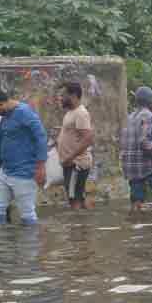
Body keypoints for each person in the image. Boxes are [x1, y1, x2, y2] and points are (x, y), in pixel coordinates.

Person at [0, 87, 46, 225]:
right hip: (5, 171)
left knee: (27, 214)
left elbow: (40, 136)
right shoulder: (6, 115)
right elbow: (1, 130)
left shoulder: (24, 112)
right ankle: (3, 245)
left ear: (0, 104)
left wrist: (40, 166)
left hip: (24, 173)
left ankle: (30, 244)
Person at [120, 86, 152, 216]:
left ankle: (135, 224)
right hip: (146, 164)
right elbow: (143, 142)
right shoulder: (148, 115)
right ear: (150, 101)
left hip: (130, 165)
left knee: (136, 199)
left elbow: (133, 140)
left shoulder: (130, 116)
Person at [57, 82, 94, 210]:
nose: (60, 98)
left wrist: (70, 157)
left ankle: (77, 228)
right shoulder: (70, 113)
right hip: (71, 163)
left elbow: (87, 139)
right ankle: (85, 225)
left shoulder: (81, 113)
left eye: (63, 95)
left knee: (74, 199)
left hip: (76, 164)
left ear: (73, 95)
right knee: (78, 197)